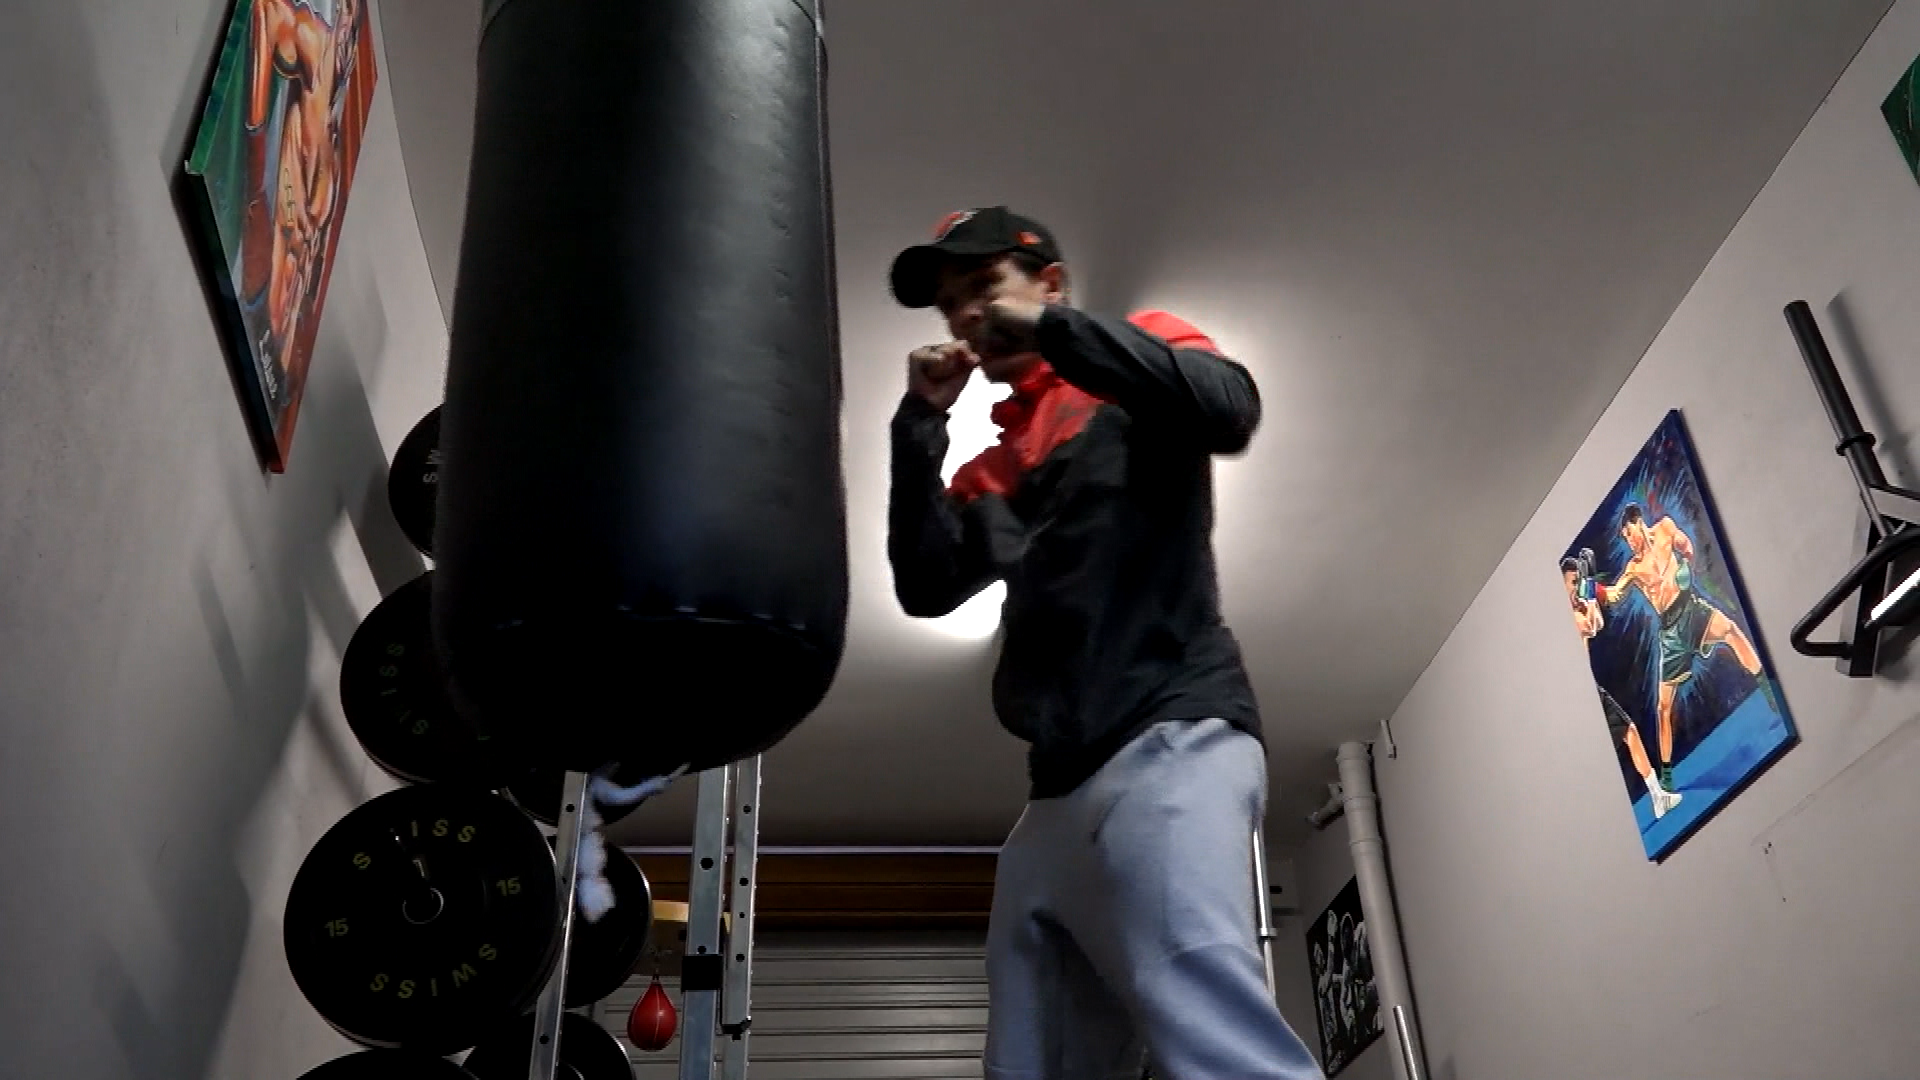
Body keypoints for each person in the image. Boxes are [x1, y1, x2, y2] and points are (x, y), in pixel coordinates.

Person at [887, 207, 1322, 1080]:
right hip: (1055, 792)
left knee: (1205, 1018)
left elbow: (1229, 408)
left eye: (984, 286)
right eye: (950, 304)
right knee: (1030, 1062)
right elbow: (925, 587)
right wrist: (919, 422)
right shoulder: (995, 465)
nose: (966, 314)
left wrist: (1051, 331)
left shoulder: (1137, 357)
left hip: (1172, 737)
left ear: (1048, 283)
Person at [1576, 503, 1777, 799]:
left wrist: (1685, 565)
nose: (1629, 542)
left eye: (1628, 534)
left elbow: (1688, 549)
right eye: (1624, 539)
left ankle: (1772, 694)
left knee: (1732, 631)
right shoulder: (1633, 568)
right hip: (1670, 633)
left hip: (1691, 609)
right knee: (1663, 708)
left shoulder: (1666, 528)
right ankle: (1667, 777)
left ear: (1638, 523)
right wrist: (1590, 589)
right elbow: (1615, 596)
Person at [1560, 554, 1679, 818]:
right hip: (1580, 697)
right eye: (1573, 582)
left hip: (1591, 690)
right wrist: (1589, 593)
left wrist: (1589, 592)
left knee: (1629, 731)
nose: (1577, 587)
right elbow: (1589, 627)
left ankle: (1658, 796)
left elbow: (1599, 624)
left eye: (1578, 581)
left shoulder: (1579, 607)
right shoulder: (1566, 617)